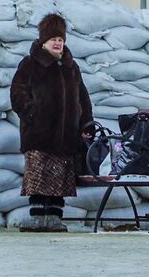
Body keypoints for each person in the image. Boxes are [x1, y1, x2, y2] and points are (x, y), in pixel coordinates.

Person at [9, 13, 93, 233]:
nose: (58, 43)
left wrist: (86, 124)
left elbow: (83, 97)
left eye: (61, 39)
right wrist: (32, 115)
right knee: (38, 175)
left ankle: (55, 217)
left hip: (66, 135)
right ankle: (38, 217)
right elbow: (17, 93)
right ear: (43, 41)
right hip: (39, 133)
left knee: (59, 178)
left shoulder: (71, 67)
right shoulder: (30, 64)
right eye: (53, 39)